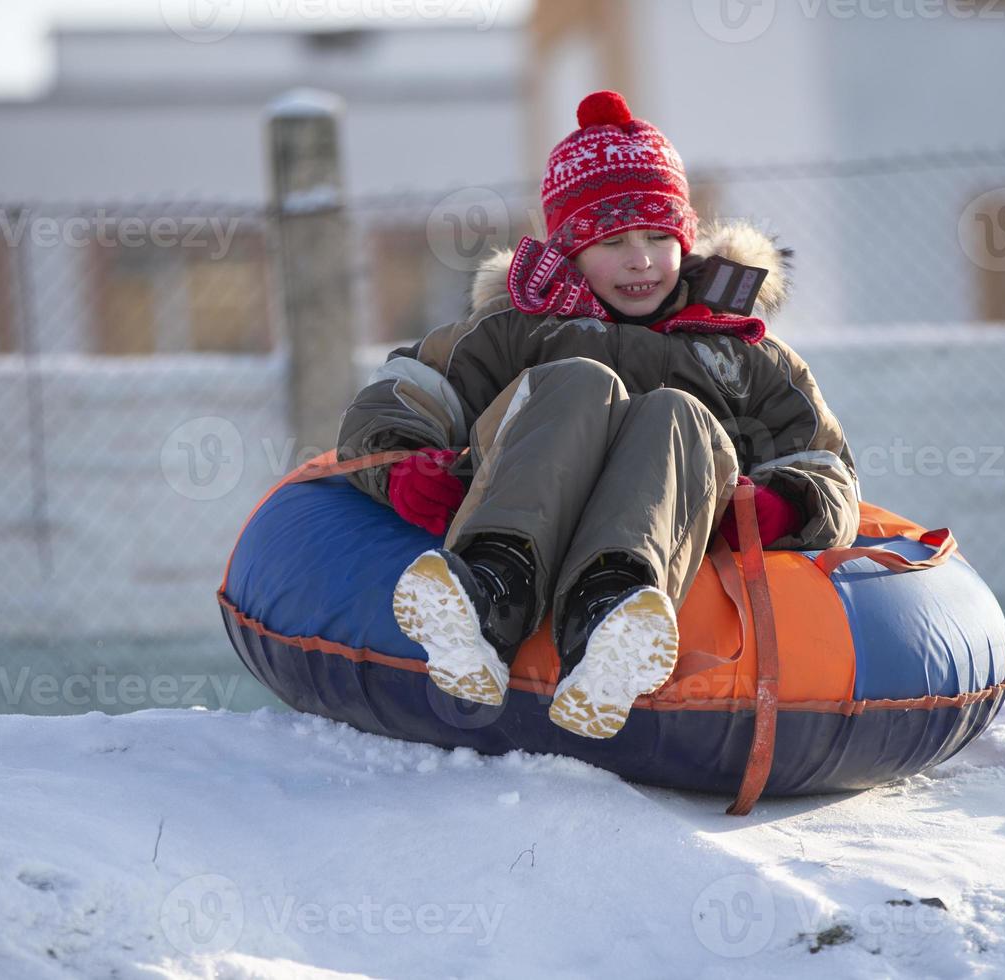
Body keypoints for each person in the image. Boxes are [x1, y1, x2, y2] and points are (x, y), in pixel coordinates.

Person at [336, 90, 860, 739]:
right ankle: (486, 595)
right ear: (570, 250)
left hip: (667, 526)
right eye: (612, 240)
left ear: (685, 239)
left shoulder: (740, 348)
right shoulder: (519, 329)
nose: (640, 260)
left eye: (657, 237)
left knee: (678, 413)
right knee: (579, 383)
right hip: (523, 496)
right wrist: (407, 466)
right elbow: (405, 390)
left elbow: (825, 464)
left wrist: (781, 503)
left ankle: (612, 627)